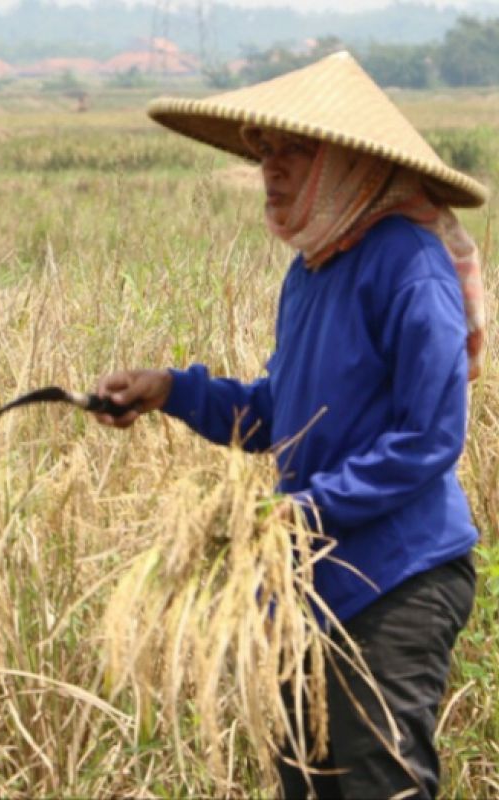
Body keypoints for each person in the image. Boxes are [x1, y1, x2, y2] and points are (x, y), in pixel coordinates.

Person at [91, 52, 486, 799]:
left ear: (348, 160)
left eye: (294, 150)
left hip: (397, 577)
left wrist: (302, 511)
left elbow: (430, 438)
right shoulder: (312, 270)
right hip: (310, 575)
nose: (270, 169)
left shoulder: (406, 265)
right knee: (305, 783)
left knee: (377, 782)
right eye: (264, 151)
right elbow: (281, 416)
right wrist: (170, 389)